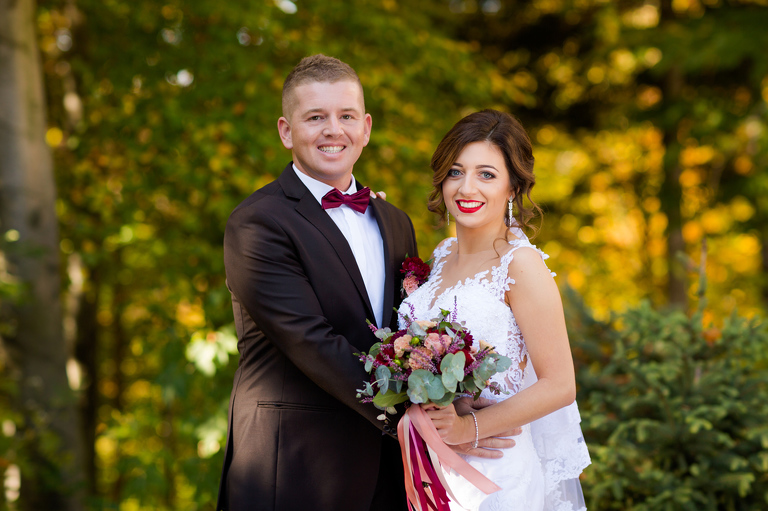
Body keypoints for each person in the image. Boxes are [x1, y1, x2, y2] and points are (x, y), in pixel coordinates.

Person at [216, 55, 512, 511]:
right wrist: (424, 419)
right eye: (316, 117)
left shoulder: (394, 221)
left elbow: (407, 333)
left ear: (366, 127)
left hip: (389, 471)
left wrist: (448, 399)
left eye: (346, 116)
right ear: (286, 131)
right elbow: (311, 341)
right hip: (295, 468)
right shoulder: (257, 224)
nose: (333, 129)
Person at [399, 109, 591, 511]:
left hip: (496, 473)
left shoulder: (521, 264)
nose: (467, 187)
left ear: (512, 185)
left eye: (486, 174)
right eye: (455, 171)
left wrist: (468, 428)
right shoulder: (440, 256)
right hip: (430, 466)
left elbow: (559, 384)